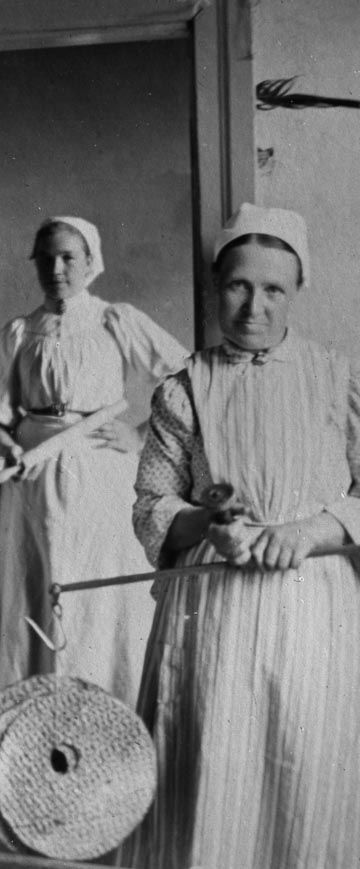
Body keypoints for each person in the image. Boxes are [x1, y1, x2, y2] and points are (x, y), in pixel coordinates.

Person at [121, 205, 360, 868]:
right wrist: (207, 523)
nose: (254, 305)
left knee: (303, 759)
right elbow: (152, 503)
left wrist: (317, 527)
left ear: (296, 292)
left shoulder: (339, 382)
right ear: (216, 287)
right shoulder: (183, 390)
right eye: (238, 286)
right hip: (213, 607)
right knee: (214, 753)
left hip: (315, 600)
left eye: (274, 288)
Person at [0, 216, 187, 704]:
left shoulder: (116, 320)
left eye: (69, 256)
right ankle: (35, 718)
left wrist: (139, 433)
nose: (57, 267)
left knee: (97, 592)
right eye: (46, 257)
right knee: (37, 584)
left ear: (91, 262)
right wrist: (7, 445)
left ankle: (108, 713)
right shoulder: (18, 332)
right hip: (33, 474)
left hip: (100, 467)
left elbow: (186, 377)